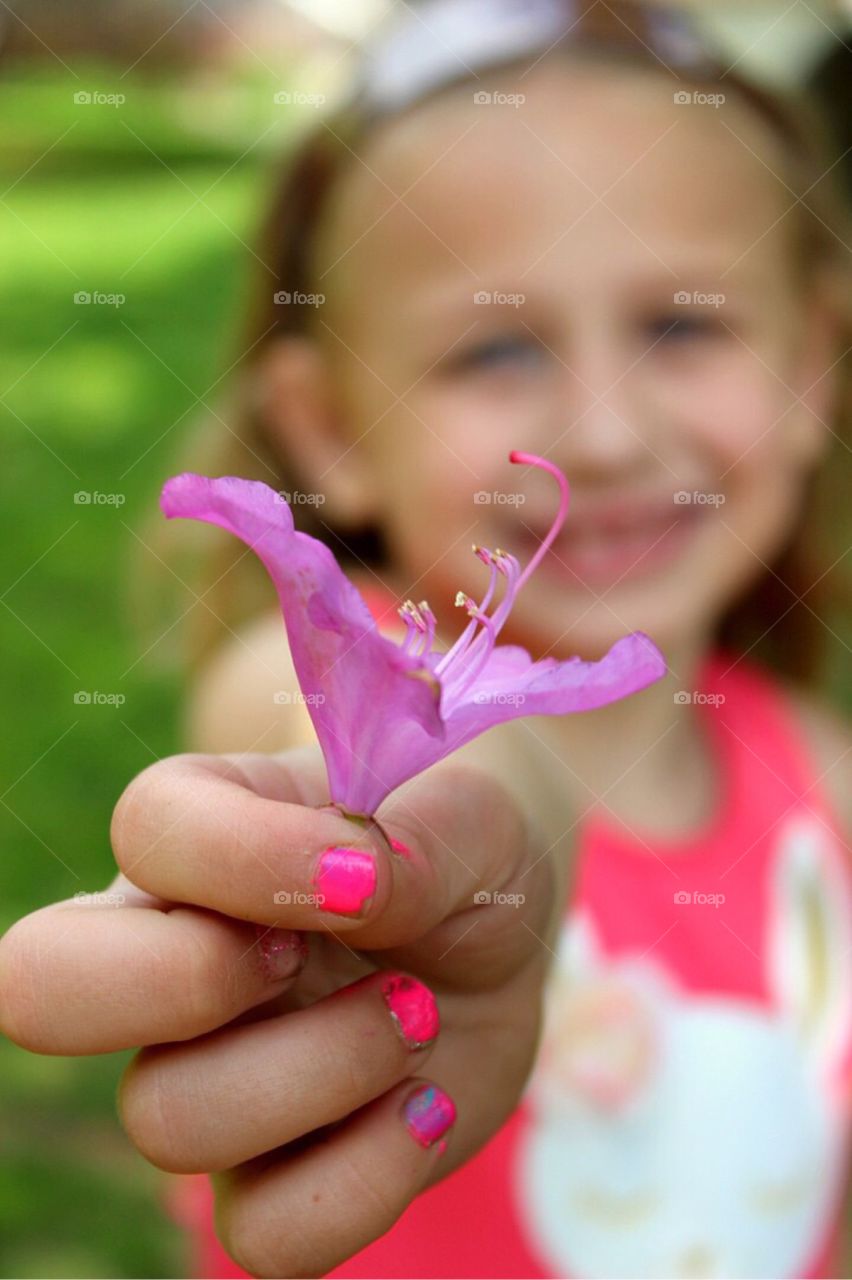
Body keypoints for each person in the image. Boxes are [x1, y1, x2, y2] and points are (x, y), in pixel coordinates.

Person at [3, 2, 852, 1276]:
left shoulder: (830, 779)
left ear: (818, 364)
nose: (605, 435)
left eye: (682, 325)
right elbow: (445, 778)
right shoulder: (317, 667)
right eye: (496, 345)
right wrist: (442, 858)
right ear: (326, 423)